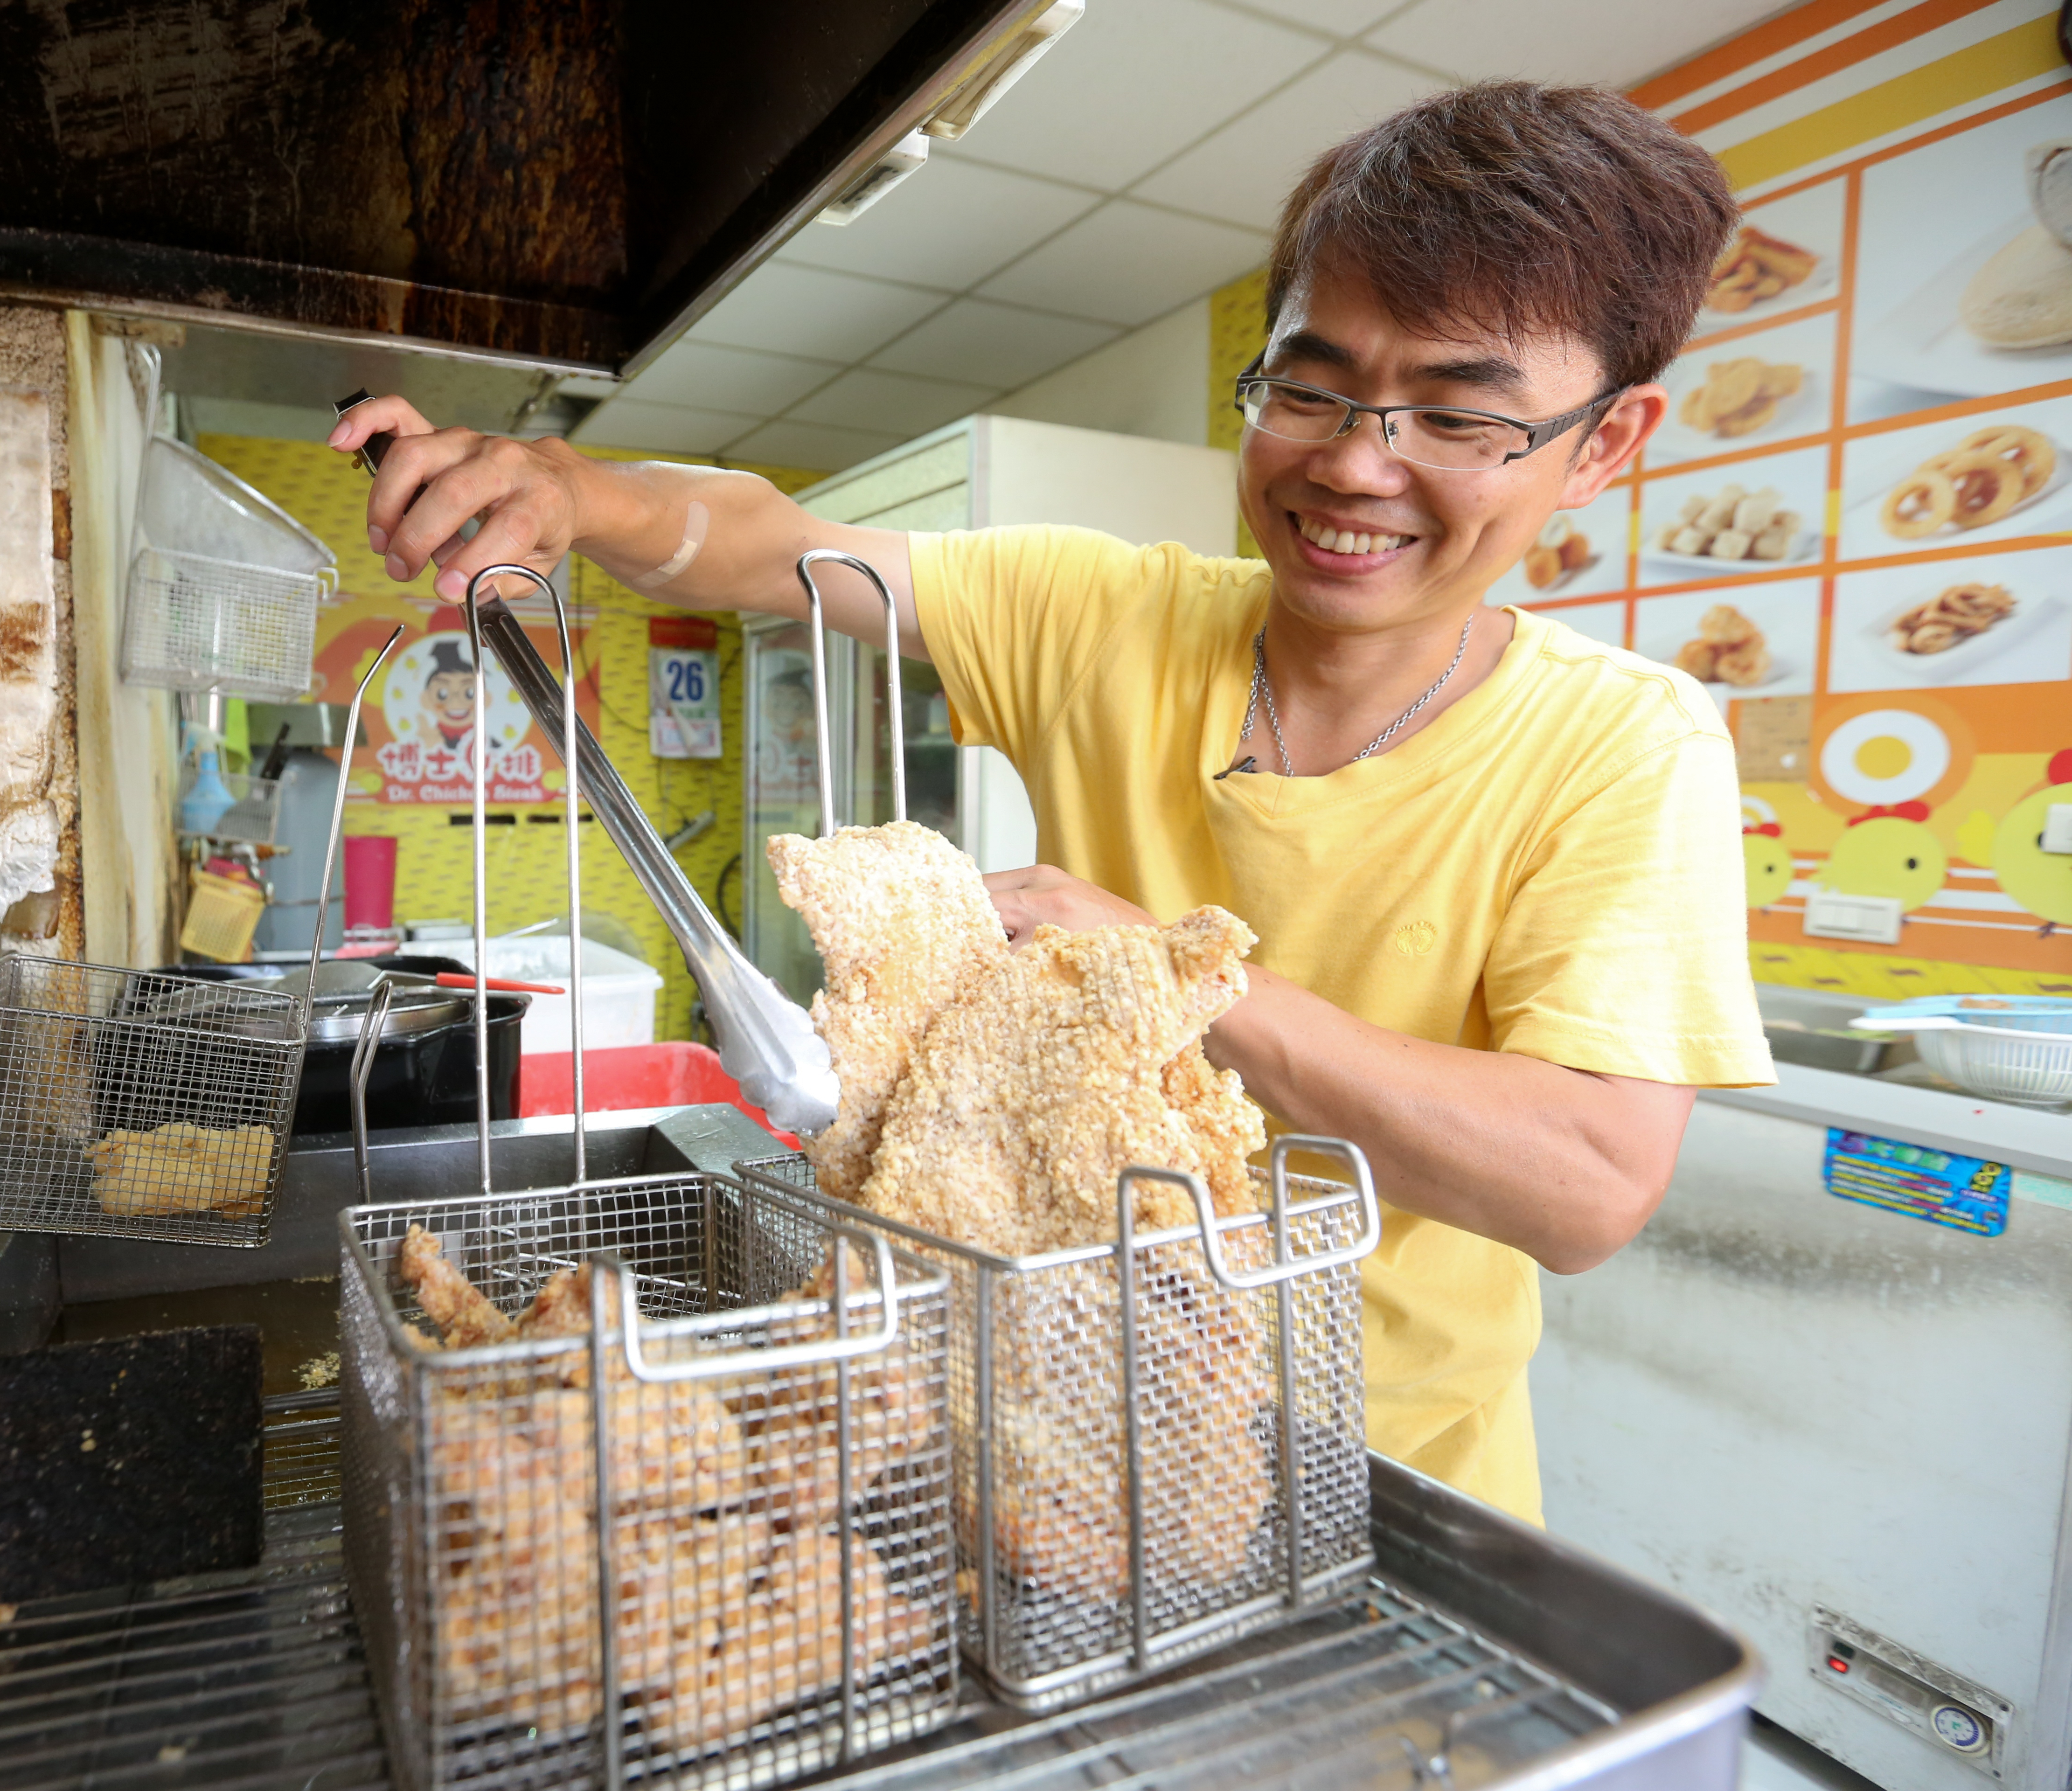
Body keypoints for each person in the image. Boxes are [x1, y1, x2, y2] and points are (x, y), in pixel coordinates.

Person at [327, 83, 1774, 1521]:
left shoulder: (1622, 744)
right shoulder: (1106, 614)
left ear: (1604, 444)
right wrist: (568, 489)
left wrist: (1156, 971)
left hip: (1375, 1483)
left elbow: (1585, 1186)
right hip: (1027, 1421)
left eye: (1457, 418)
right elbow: (776, 548)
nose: (1353, 464)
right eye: (1309, 388)